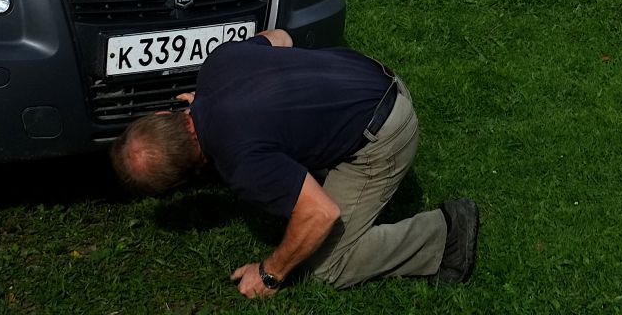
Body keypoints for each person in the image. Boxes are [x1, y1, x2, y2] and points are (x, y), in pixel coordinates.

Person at [111, 29, 477, 296]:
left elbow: (321, 214)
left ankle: (445, 235)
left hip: (385, 132)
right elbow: (282, 38)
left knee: (329, 266)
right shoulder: (216, 64)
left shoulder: (240, 165)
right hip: (371, 74)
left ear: (185, 178)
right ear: (165, 111)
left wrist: (270, 274)